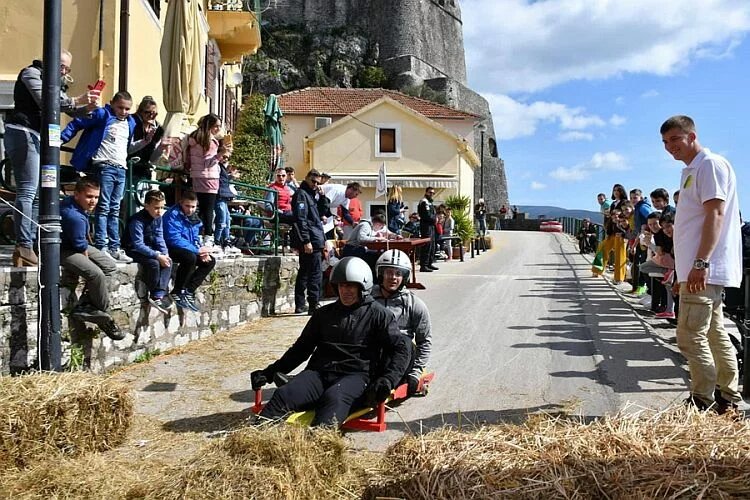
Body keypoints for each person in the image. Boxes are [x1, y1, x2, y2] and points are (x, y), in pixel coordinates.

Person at [250, 257, 410, 427]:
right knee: (284, 394)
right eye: (341, 285)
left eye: (350, 286)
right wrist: (269, 373)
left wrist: (388, 380)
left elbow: (401, 349)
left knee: (333, 399)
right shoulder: (324, 314)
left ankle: (317, 444)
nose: (345, 291)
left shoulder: (379, 315)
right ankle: (255, 436)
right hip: (320, 372)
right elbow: (301, 349)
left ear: (362, 287)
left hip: (355, 375)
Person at [661, 114, 743, 414]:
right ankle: (727, 397)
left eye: (675, 140)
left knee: (689, 335)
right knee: (713, 333)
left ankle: (703, 400)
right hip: (698, 268)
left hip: (703, 268)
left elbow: (715, 214)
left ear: (692, 136)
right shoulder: (692, 170)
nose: (670, 148)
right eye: (666, 142)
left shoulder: (709, 164)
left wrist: (700, 262)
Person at [4, 50, 99, 267]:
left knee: (37, 193)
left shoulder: (57, 84)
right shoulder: (31, 74)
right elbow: (46, 102)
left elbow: (70, 108)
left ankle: (32, 244)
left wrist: (88, 107)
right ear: (49, 61)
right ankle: (23, 245)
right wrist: (77, 100)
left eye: (67, 68)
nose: (64, 71)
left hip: (38, 136)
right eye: (61, 66)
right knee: (28, 191)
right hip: (23, 131)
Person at [61, 90, 141, 264]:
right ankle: (101, 245)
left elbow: (126, 146)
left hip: (121, 167)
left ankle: (114, 247)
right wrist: (60, 139)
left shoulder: (131, 122)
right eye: (120, 107)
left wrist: (147, 141)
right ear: (112, 103)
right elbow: (78, 122)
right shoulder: (103, 114)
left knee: (115, 208)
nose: (124, 112)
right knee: (103, 207)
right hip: (104, 165)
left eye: (128, 109)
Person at [61, 178, 123, 340]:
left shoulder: (77, 207)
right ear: (76, 195)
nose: (93, 201)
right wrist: (87, 263)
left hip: (76, 243)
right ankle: (104, 315)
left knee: (110, 266)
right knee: (96, 274)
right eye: (89, 196)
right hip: (62, 250)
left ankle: (87, 305)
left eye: (96, 197)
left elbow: (82, 242)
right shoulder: (74, 216)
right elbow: (80, 247)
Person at [371, 250, 432, 396]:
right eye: (388, 272)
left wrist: (415, 373)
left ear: (404, 277)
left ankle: (386, 382)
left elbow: (424, 342)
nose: (393, 277)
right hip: (373, 352)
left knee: (404, 341)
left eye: (398, 273)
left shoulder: (415, 304)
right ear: (380, 274)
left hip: (400, 356)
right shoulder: (368, 299)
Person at [163, 191, 216, 312]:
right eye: (187, 206)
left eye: (193, 206)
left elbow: (195, 238)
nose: (190, 209)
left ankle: (189, 291)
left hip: (189, 248)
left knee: (210, 261)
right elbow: (173, 239)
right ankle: (177, 291)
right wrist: (197, 251)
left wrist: (202, 252)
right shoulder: (173, 215)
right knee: (189, 258)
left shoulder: (194, 218)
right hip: (171, 247)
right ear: (181, 203)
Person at [122, 190, 173, 314]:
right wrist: (157, 255)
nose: (159, 211)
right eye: (156, 208)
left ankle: (159, 293)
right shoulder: (137, 221)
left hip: (149, 248)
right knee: (154, 263)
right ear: (146, 206)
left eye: (162, 207)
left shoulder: (158, 218)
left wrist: (164, 254)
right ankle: (153, 292)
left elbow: (159, 237)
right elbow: (138, 244)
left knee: (168, 261)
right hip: (132, 249)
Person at [187, 113, 229, 246]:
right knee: (209, 210)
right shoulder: (210, 142)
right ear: (209, 126)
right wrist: (221, 154)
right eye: (216, 126)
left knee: (198, 208)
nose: (218, 129)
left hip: (196, 176)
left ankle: (195, 234)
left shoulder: (194, 138)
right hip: (210, 177)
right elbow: (208, 163)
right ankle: (208, 237)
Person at [290, 169, 326, 315]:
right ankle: (313, 304)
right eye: (313, 181)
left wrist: (322, 196)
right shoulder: (301, 195)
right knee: (313, 273)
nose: (315, 184)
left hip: (315, 238)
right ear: (306, 178)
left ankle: (301, 304)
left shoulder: (311, 195)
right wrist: (306, 240)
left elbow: (324, 212)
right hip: (311, 239)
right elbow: (301, 219)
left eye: (317, 182)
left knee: (305, 272)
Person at [592, 184, 628, 283]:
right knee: (602, 248)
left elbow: (627, 216)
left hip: (620, 232)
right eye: (614, 190)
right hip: (611, 231)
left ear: (622, 191)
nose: (616, 192)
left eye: (618, 190)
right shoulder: (613, 204)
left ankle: (619, 278)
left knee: (620, 255)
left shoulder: (625, 202)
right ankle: (597, 270)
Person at [127, 95, 164, 186]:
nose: (151, 116)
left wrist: (161, 148)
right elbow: (128, 148)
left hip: (144, 171)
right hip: (129, 167)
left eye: (154, 114)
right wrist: (145, 141)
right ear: (140, 112)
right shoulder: (132, 122)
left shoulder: (159, 129)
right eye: (147, 112)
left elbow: (152, 158)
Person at [628, 189, 653, 296]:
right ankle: (640, 287)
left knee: (644, 264)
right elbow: (639, 229)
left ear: (641, 197)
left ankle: (647, 290)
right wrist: (634, 245)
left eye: (635, 197)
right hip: (641, 238)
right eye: (631, 198)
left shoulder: (642, 207)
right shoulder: (638, 208)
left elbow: (651, 217)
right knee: (640, 264)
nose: (633, 200)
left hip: (646, 239)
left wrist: (647, 228)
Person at [418, 187, 439, 272]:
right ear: (426, 192)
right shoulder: (424, 202)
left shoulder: (429, 202)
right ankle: (424, 265)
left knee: (432, 245)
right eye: (430, 192)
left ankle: (429, 263)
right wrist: (434, 219)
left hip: (431, 226)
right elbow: (426, 215)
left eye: (433, 193)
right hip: (426, 226)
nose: (431, 194)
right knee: (427, 245)